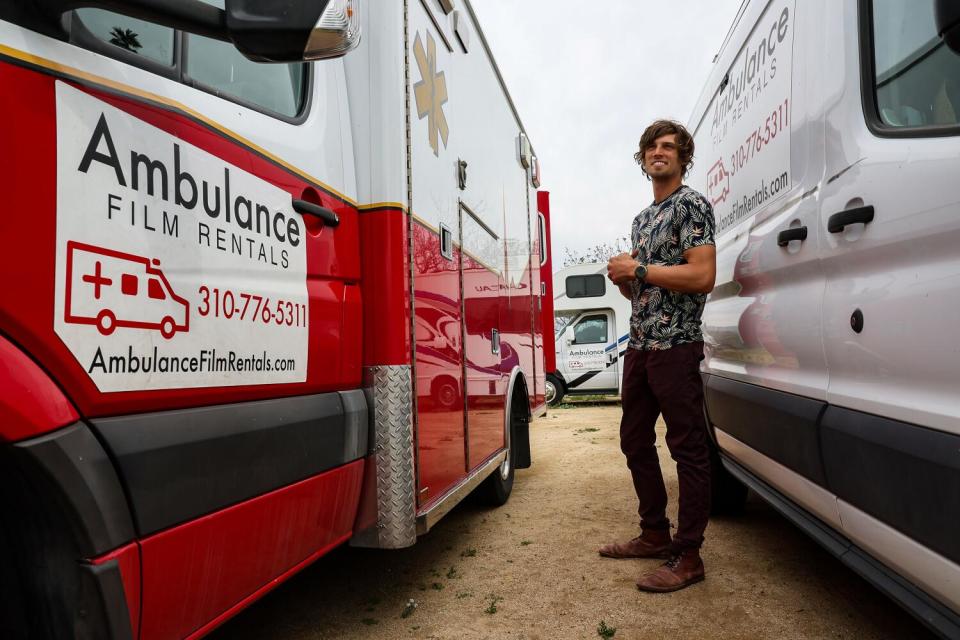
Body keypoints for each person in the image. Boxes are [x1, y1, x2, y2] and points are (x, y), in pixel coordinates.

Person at [601, 119, 716, 593]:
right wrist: (627, 280)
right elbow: (642, 292)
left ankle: (688, 555)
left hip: (677, 345)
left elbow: (702, 276)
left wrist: (642, 268)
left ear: (682, 156)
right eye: (651, 146)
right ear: (643, 157)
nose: (658, 152)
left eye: (668, 146)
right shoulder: (642, 218)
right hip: (642, 346)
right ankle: (654, 533)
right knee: (634, 440)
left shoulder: (692, 205)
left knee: (687, 448)